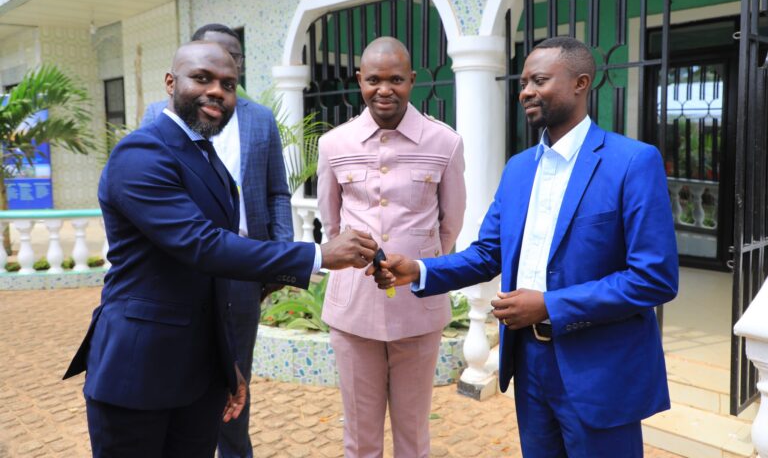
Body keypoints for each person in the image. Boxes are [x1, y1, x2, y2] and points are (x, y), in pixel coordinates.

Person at [63, 41, 377, 458]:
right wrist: (317, 255)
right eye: (202, 78)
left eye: (228, 85)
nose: (217, 91)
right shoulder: (141, 153)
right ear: (171, 83)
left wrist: (226, 364)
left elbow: (214, 282)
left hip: (199, 377)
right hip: (138, 371)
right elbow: (204, 246)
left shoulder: (207, 158)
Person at [370, 36, 678, 458]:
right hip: (529, 363)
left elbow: (654, 278)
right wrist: (420, 271)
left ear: (581, 83)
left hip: (599, 371)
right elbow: (487, 254)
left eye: (539, 80)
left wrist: (550, 305)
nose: (526, 92)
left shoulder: (632, 162)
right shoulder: (518, 169)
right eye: (523, 82)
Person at [143, 23, 290, 458]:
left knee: (236, 380)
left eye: (234, 63)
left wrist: (280, 256)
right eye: (208, 66)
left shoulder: (260, 118)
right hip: (181, 273)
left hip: (242, 274)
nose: (219, 82)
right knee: (179, 377)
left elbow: (277, 191)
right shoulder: (157, 118)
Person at [317, 36, 466, 457]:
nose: (385, 90)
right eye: (374, 80)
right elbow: (332, 225)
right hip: (354, 308)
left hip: (418, 306)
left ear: (412, 80)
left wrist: (419, 266)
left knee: (413, 434)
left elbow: (450, 224)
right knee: (360, 436)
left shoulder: (444, 142)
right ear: (359, 80)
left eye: (396, 79)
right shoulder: (335, 144)